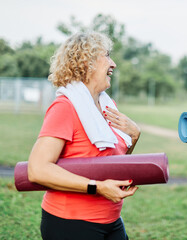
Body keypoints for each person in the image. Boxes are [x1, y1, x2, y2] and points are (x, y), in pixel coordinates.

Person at [28, 32, 140, 240]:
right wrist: (96, 187)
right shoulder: (65, 107)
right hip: (70, 223)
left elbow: (114, 162)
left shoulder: (107, 106)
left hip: (111, 220)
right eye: (106, 55)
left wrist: (134, 136)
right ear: (86, 62)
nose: (113, 63)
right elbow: (37, 169)